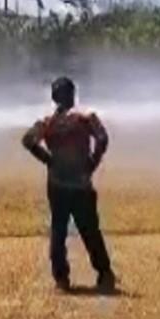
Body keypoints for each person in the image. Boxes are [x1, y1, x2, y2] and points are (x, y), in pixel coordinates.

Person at [21, 76, 117, 294]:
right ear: (73, 95)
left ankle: (62, 278)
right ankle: (104, 274)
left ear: (54, 98)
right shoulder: (85, 118)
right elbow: (102, 138)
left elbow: (28, 140)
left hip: (57, 182)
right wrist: (92, 162)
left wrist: (49, 160)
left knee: (58, 230)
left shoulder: (48, 122)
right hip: (81, 182)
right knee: (90, 230)